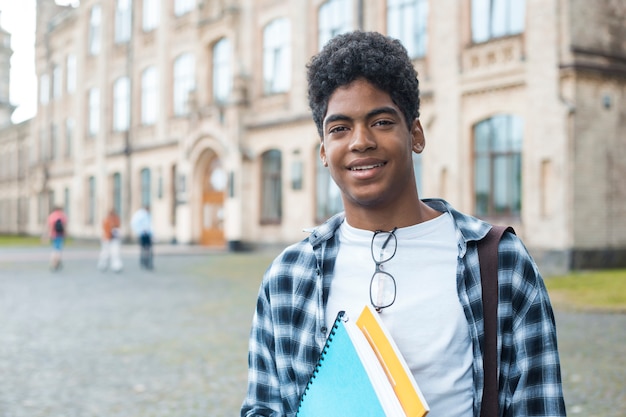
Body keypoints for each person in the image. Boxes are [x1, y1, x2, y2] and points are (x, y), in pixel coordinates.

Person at [241, 31, 566, 417]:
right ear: (324, 151)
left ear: (415, 134)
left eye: (380, 121)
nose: (360, 141)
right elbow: (263, 408)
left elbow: (539, 407)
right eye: (340, 128)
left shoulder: (501, 265)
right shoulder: (287, 278)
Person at [97, 208, 123, 273]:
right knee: (105, 253)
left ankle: (116, 266)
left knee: (115, 253)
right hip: (107, 239)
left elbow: (118, 228)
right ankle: (103, 265)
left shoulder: (116, 219)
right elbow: (105, 229)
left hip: (114, 239)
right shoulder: (107, 220)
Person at [131, 205, 153, 270]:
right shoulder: (140, 215)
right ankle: (144, 262)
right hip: (143, 234)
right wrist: (140, 231)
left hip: (148, 234)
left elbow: (150, 225)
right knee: (143, 249)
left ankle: (148, 262)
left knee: (148, 249)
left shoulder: (149, 215)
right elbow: (135, 223)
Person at [47, 206, 67, 271]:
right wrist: (65, 233)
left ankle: (54, 262)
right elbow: (64, 225)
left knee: (55, 248)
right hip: (60, 234)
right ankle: (57, 261)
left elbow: (51, 225)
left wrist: (50, 233)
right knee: (58, 248)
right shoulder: (62, 216)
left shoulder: (52, 216)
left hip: (54, 234)